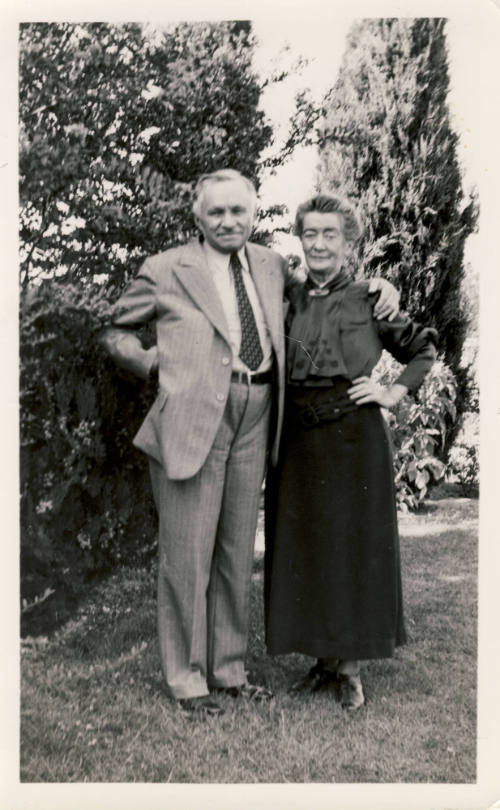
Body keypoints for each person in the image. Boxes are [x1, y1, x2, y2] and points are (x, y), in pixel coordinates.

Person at [100, 171, 399, 718]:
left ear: (254, 213)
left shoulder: (269, 264)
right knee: (188, 555)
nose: (229, 221)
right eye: (217, 213)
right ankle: (187, 680)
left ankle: (229, 671)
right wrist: (145, 361)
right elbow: (115, 330)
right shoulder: (166, 269)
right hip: (193, 418)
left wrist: (381, 288)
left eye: (239, 211)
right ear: (198, 215)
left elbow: (322, 292)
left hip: (257, 414)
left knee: (237, 551)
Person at [264, 193, 438, 711]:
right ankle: (320, 663)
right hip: (297, 439)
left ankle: (351, 670)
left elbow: (423, 348)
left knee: (352, 549)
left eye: (330, 235)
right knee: (306, 548)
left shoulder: (370, 298)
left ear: (349, 241)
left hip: (354, 439)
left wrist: (390, 392)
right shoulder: (288, 296)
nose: (319, 244)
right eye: (310, 234)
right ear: (300, 238)